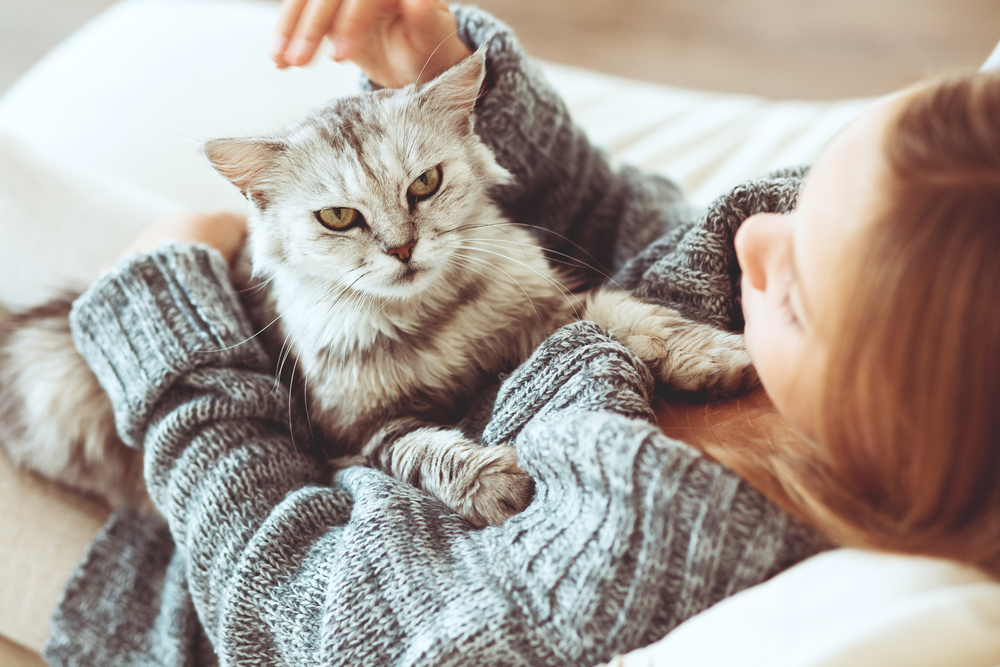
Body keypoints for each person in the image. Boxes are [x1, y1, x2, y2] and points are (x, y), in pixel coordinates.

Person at [42, 1, 1000, 665]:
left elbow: (299, 611)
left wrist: (171, 337)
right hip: (316, 339)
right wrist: (450, 80)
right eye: (805, 191)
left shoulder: (639, 544)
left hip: (199, 547)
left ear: (884, 408)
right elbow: (633, 231)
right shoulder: (871, 272)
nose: (751, 229)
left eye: (789, 281)